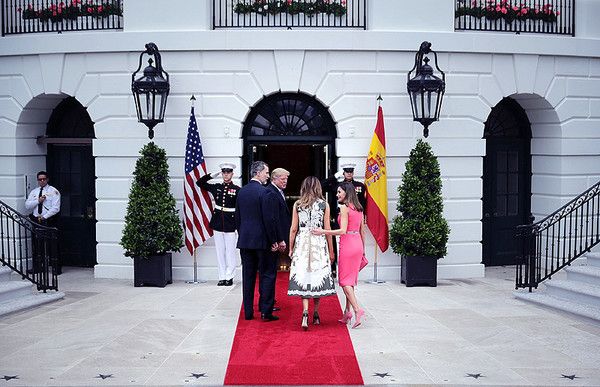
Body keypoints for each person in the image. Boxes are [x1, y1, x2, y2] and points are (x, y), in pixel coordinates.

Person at [312, 181, 365, 329]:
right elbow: (362, 231)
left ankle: (357, 310)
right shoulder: (359, 208)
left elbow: (342, 231)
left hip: (348, 244)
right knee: (350, 280)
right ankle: (347, 312)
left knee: (344, 281)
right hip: (358, 244)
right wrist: (363, 251)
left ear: (346, 193)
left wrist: (322, 231)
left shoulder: (344, 208)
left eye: (339, 192)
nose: (337, 195)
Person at [235, 161, 284, 322]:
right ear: (257, 173)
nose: (268, 176)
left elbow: (238, 218)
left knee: (247, 277)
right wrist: (274, 241)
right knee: (267, 275)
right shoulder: (265, 193)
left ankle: (248, 312)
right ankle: (265, 312)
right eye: (266, 173)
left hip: (245, 241)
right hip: (263, 243)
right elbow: (269, 220)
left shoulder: (241, 192)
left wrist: (242, 235)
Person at [288, 176, 336, 331]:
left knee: (304, 277)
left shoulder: (298, 204)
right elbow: (327, 230)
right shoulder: (324, 205)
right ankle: (315, 313)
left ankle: (305, 311)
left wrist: (291, 247)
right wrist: (331, 250)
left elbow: (293, 229)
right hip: (318, 243)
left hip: (302, 243)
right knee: (317, 277)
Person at [197, 163, 240, 286]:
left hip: (230, 223)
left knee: (230, 251)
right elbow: (200, 183)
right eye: (224, 172)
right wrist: (212, 175)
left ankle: (230, 276)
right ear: (222, 174)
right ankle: (222, 276)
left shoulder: (237, 189)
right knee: (220, 251)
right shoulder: (216, 187)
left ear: (232, 173)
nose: (226, 174)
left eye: (228, 172)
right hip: (217, 222)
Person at [321, 163, 367, 278]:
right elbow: (321, 186)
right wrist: (334, 177)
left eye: (351, 171)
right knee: (338, 244)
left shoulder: (360, 186)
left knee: (349, 244)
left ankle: (348, 272)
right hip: (339, 217)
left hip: (354, 218)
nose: (349, 174)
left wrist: (363, 217)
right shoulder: (338, 185)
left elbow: (363, 204)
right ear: (344, 173)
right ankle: (336, 269)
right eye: (347, 172)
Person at [24, 171, 61, 274]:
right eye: (40, 179)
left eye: (44, 179)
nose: (42, 181)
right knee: (37, 244)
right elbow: (27, 205)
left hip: (49, 220)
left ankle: (55, 268)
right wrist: (38, 201)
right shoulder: (34, 192)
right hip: (36, 220)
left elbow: (56, 208)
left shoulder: (53, 191)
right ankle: (38, 267)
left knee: (52, 244)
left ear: (47, 179)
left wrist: (44, 217)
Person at [265, 168, 291, 312]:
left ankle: (269, 300)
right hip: (273, 241)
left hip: (277, 238)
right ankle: (267, 303)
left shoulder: (278, 192)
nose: (285, 181)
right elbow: (273, 219)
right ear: (273, 179)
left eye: (286, 179)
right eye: (282, 179)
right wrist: (279, 240)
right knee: (269, 272)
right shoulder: (271, 193)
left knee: (271, 272)